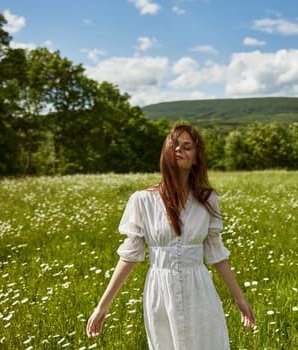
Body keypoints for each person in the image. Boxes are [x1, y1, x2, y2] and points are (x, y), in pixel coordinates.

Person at [86, 124, 255, 349]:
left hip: (199, 289)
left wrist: (239, 298)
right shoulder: (143, 200)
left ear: (196, 158)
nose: (179, 150)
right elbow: (129, 257)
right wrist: (102, 307)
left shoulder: (206, 200)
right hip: (160, 292)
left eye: (187, 146)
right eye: (174, 145)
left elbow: (216, 254)